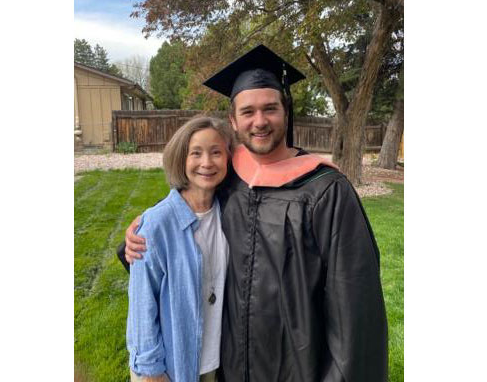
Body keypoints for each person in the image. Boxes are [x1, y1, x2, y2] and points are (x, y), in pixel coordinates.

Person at [123, 45, 388, 381]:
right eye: (248, 112)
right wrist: (138, 235)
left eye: (270, 109)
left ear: (286, 112)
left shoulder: (326, 190)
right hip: (227, 366)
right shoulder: (227, 176)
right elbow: (184, 221)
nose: (259, 121)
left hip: (297, 369)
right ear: (233, 121)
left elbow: (355, 308)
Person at [126, 116, 233, 382]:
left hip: (211, 362)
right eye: (195, 153)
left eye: (216, 152)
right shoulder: (156, 225)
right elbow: (141, 306)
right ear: (181, 159)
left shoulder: (229, 213)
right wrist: (151, 371)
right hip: (172, 366)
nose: (207, 163)